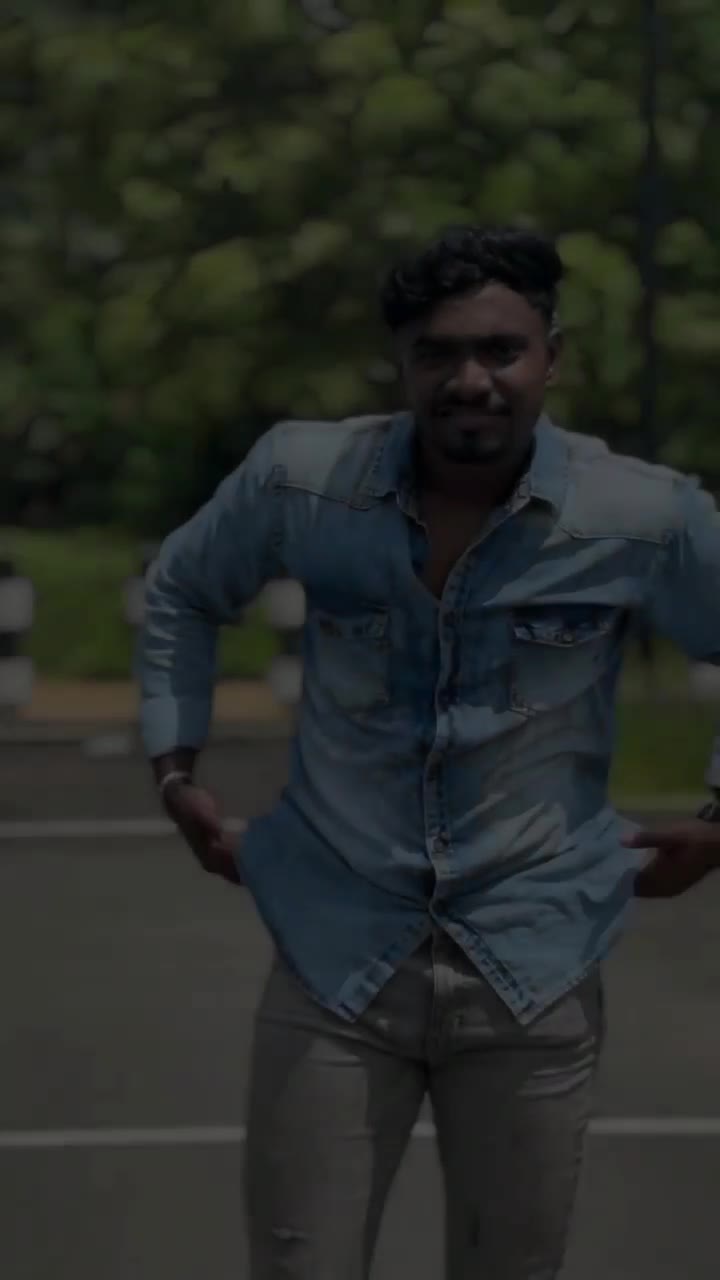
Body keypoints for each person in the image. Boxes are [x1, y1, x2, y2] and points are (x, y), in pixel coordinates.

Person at [137, 226, 720, 1279]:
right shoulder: (303, 479)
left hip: (534, 958)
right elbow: (182, 586)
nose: (470, 379)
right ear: (401, 362)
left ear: (552, 356)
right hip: (336, 953)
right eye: (437, 352)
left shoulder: (641, 513)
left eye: (501, 349)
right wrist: (173, 766)